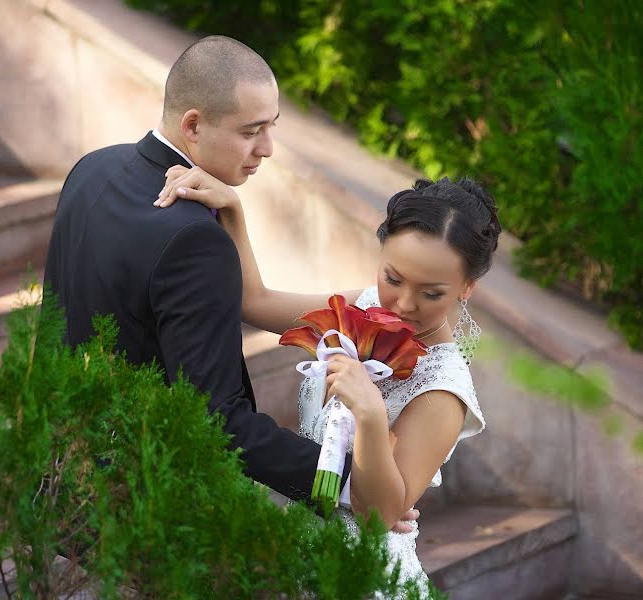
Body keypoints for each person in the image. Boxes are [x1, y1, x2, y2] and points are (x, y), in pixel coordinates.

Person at [44, 35, 360, 505]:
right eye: (251, 131)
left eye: (272, 127)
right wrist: (346, 484)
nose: (268, 148)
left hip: (64, 479)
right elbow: (219, 421)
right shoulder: (194, 241)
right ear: (193, 125)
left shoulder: (92, 168)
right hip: (149, 502)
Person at [157, 169, 501, 596]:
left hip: (365, 580)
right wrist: (232, 210)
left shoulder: (444, 389)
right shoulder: (366, 310)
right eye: (393, 278)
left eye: (432, 293)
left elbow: (378, 517)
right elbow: (256, 303)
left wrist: (372, 415)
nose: (404, 304)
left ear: (467, 287)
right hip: (301, 560)